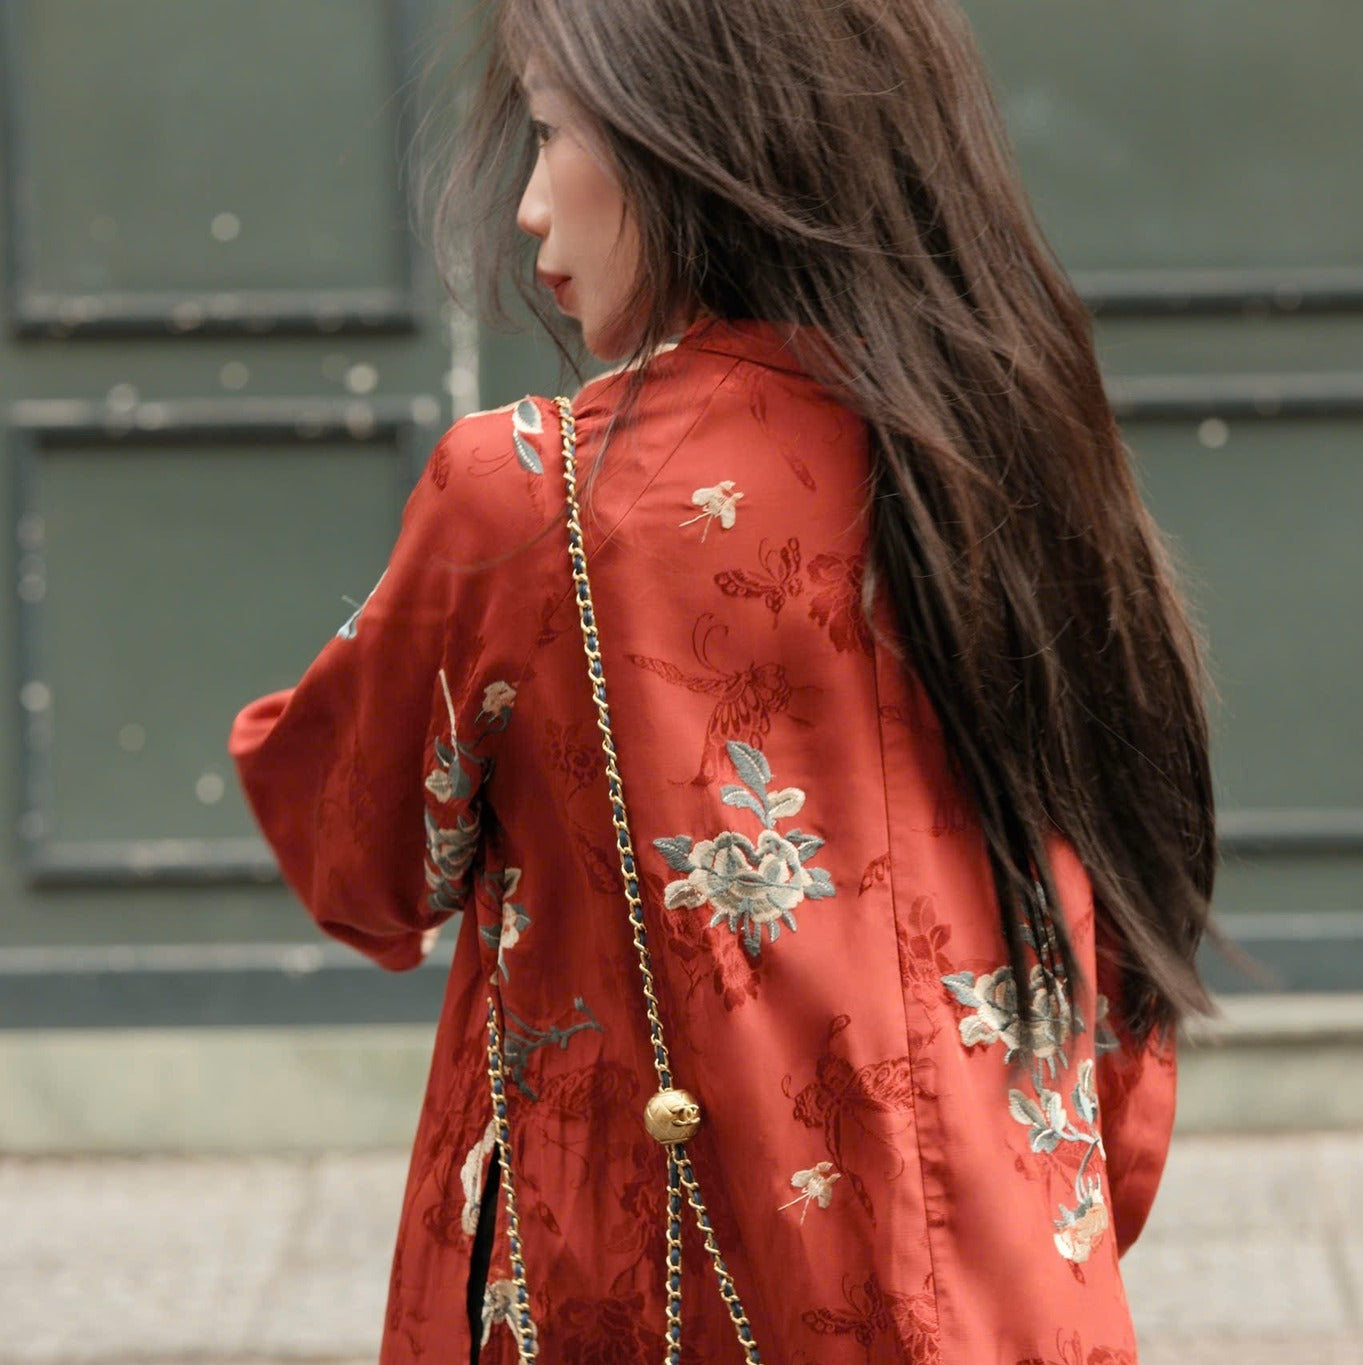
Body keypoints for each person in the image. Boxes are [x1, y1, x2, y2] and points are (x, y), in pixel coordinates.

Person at [230, 2, 1216, 1361]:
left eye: (554, 130)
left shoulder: (531, 497)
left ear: (687, 139)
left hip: (658, 1284)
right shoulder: (1011, 453)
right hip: (1001, 1286)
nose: (525, 206)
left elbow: (364, 864)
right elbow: (1117, 987)